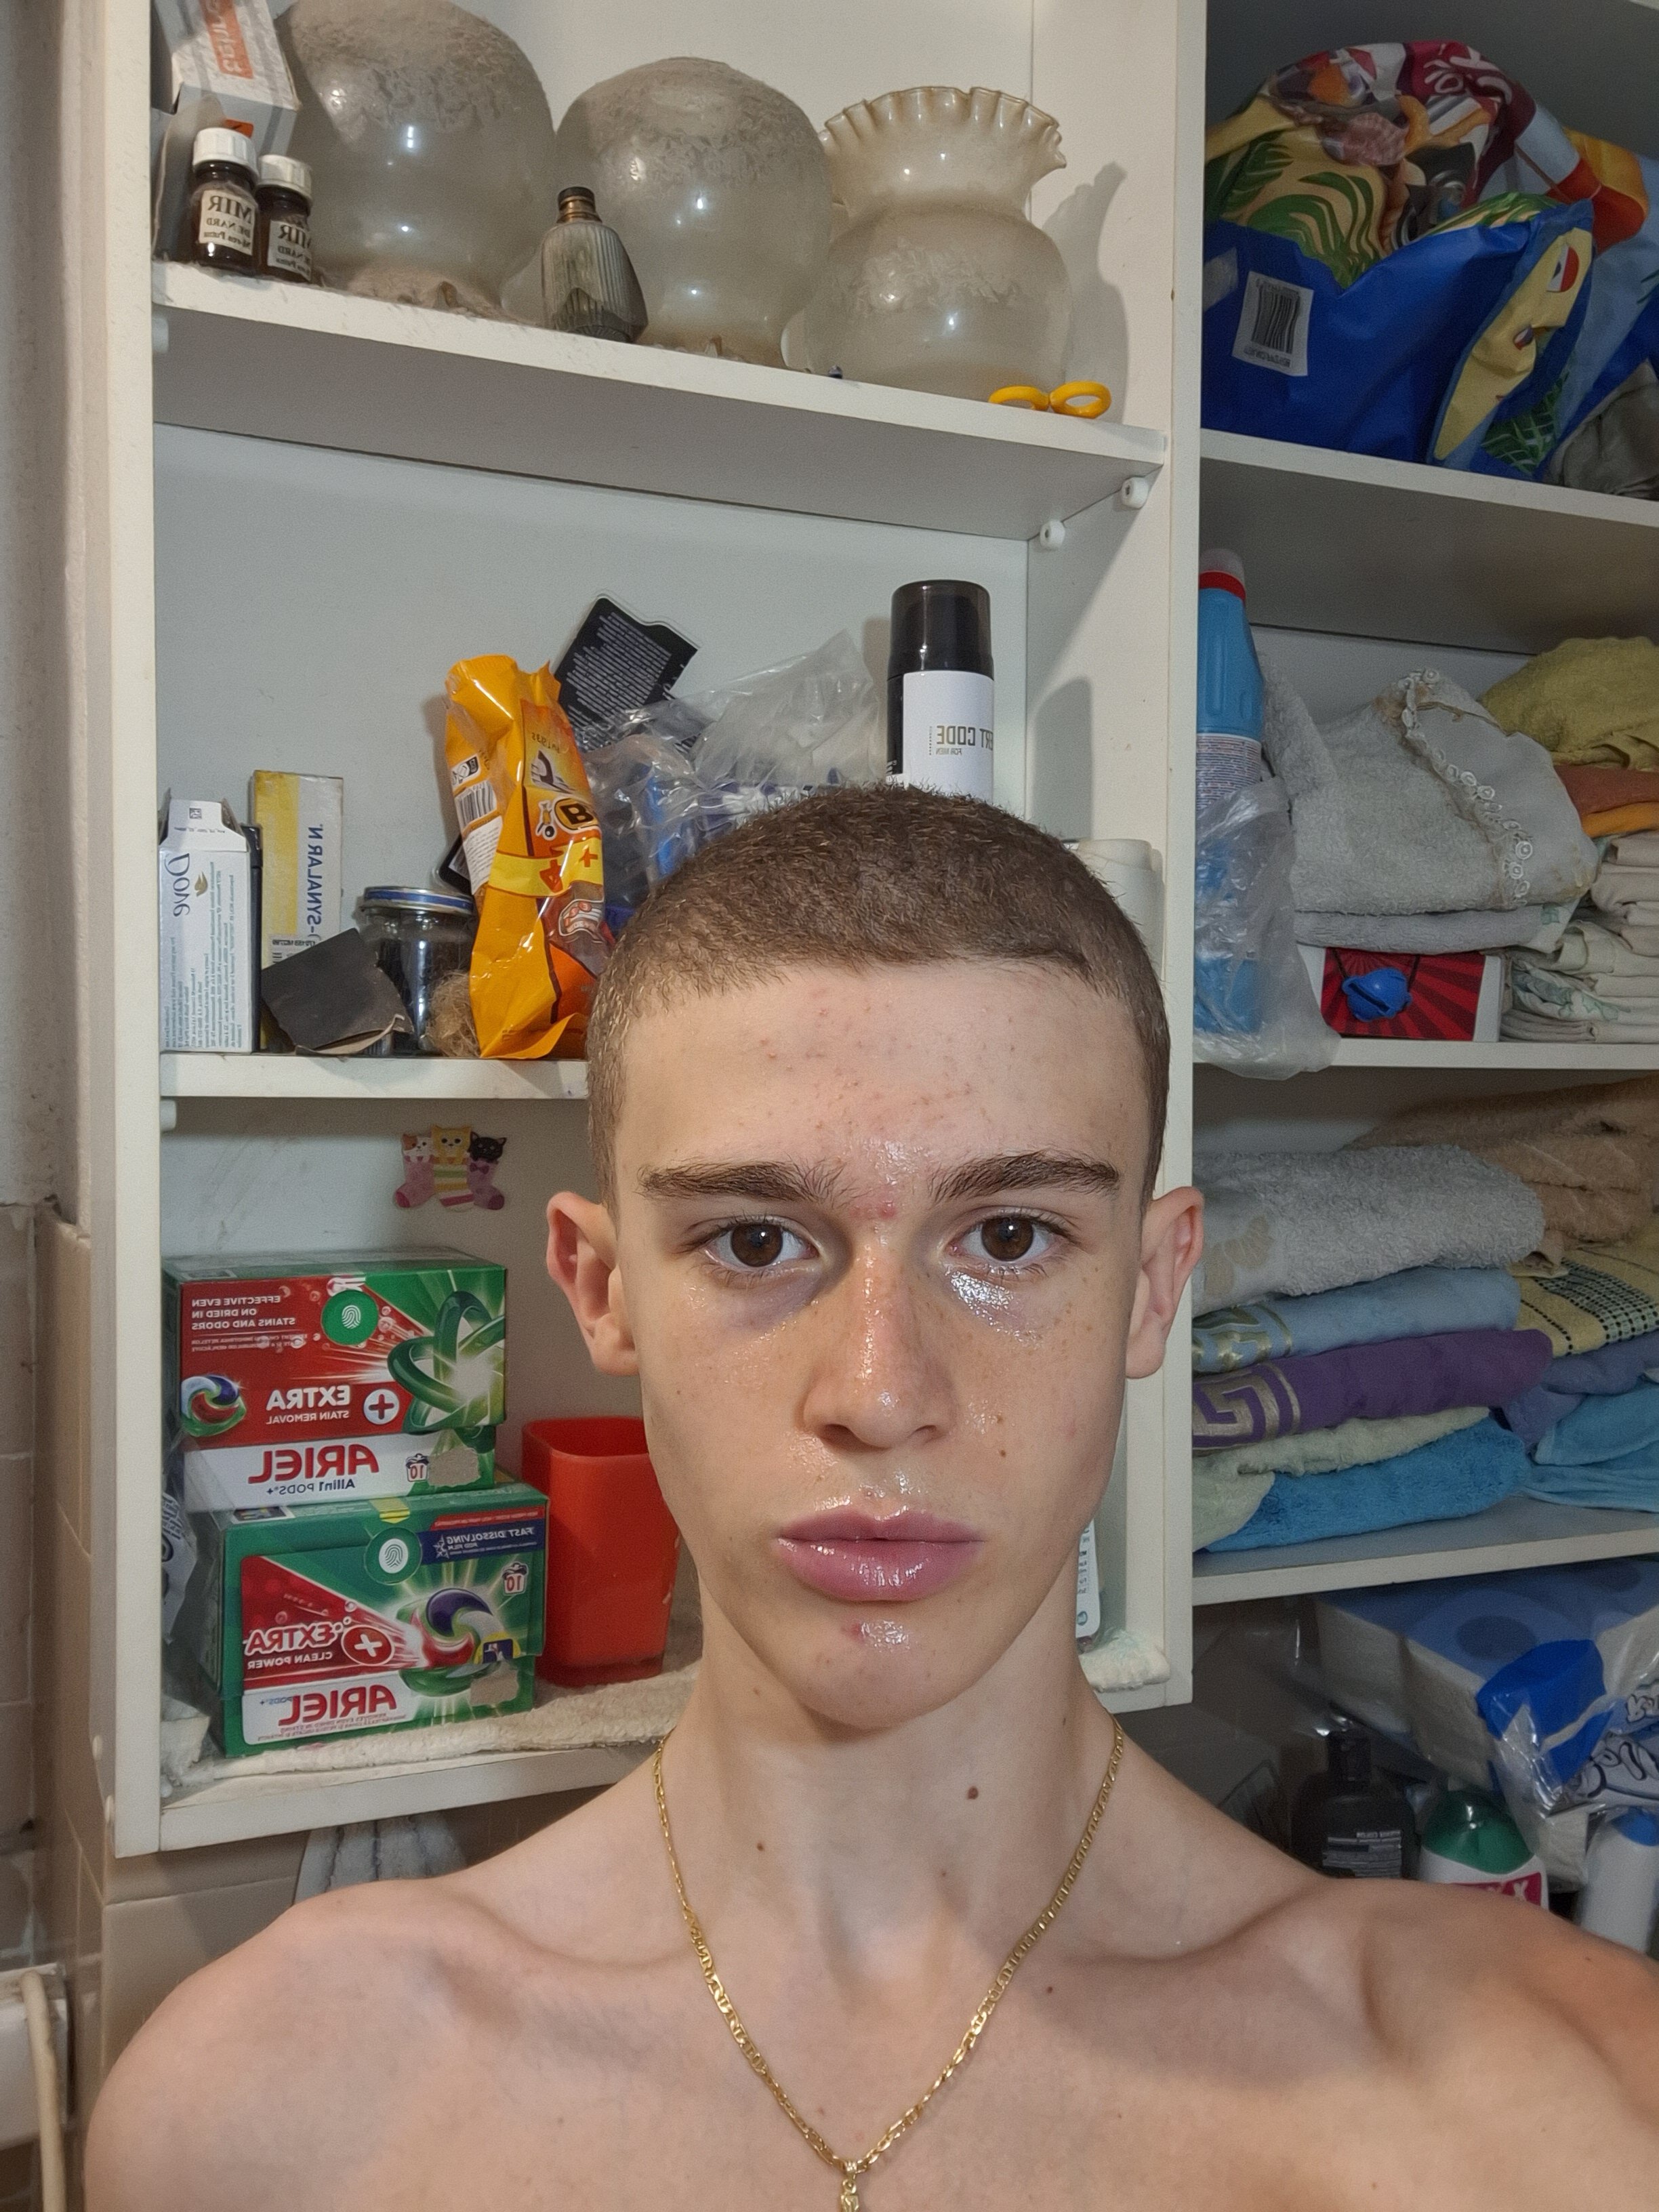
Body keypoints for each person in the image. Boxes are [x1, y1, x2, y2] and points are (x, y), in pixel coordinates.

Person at [91, 790, 1658, 2210]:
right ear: (602, 1286)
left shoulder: (1546, 2113)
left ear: (1151, 1288)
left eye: (1011, 1238)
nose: (880, 1391)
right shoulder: (269, 2114)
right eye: (756, 1242)